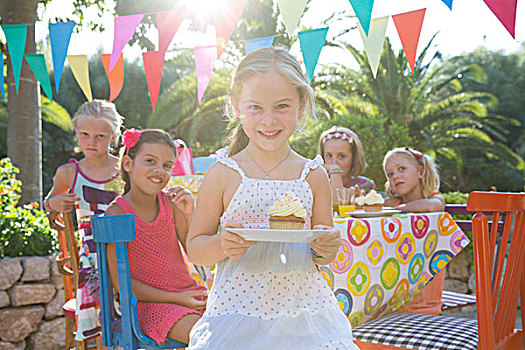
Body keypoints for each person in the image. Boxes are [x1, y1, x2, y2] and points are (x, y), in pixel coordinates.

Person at [185, 48, 359, 349]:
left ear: (301, 104)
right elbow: (196, 249)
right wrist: (221, 244)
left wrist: (326, 247)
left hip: (304, 316)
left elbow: (322, 255)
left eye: (281, 106)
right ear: (236, 105)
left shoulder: (313, 175)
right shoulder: (223, 173)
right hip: (237, 315)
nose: (269, 120)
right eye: (255, 107)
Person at [104, 129, 207, 345]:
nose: (159, 170)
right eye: (150, 161)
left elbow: (197, 254)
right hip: (147, 307)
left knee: (241, 326)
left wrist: (189, 214)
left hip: (188, 298)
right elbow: (122, 285)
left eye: (167, 165)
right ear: (128, 164)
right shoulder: (117, 213)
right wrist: (177, 298)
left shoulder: (171, 204)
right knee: (210, 336)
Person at [44, 99, 125, 349]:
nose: (91, 141)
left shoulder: (124, 170)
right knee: (103, 315)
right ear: (77, 133)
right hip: (91, 258)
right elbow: (49, 204)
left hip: (126, 252)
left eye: (100, 135)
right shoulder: (69, 173)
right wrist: (55, 203)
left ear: (113, 136)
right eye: (85, 134)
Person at [383, 146, 446, 315]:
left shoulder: (434, 198)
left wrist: (397, 210)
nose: (395, 176)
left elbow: (432, 207)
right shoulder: (391, 204)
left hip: (425, 298)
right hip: (394, 296)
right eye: (390, 174)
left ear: (420, 172)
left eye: (401, 169)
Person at [318, 126, 375, 204]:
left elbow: (338, 203)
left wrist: (335, 171)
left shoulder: (364, 185)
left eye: (341, 156)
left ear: (354, 158)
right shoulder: (317, 184)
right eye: (329, 156)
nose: (334, 162)